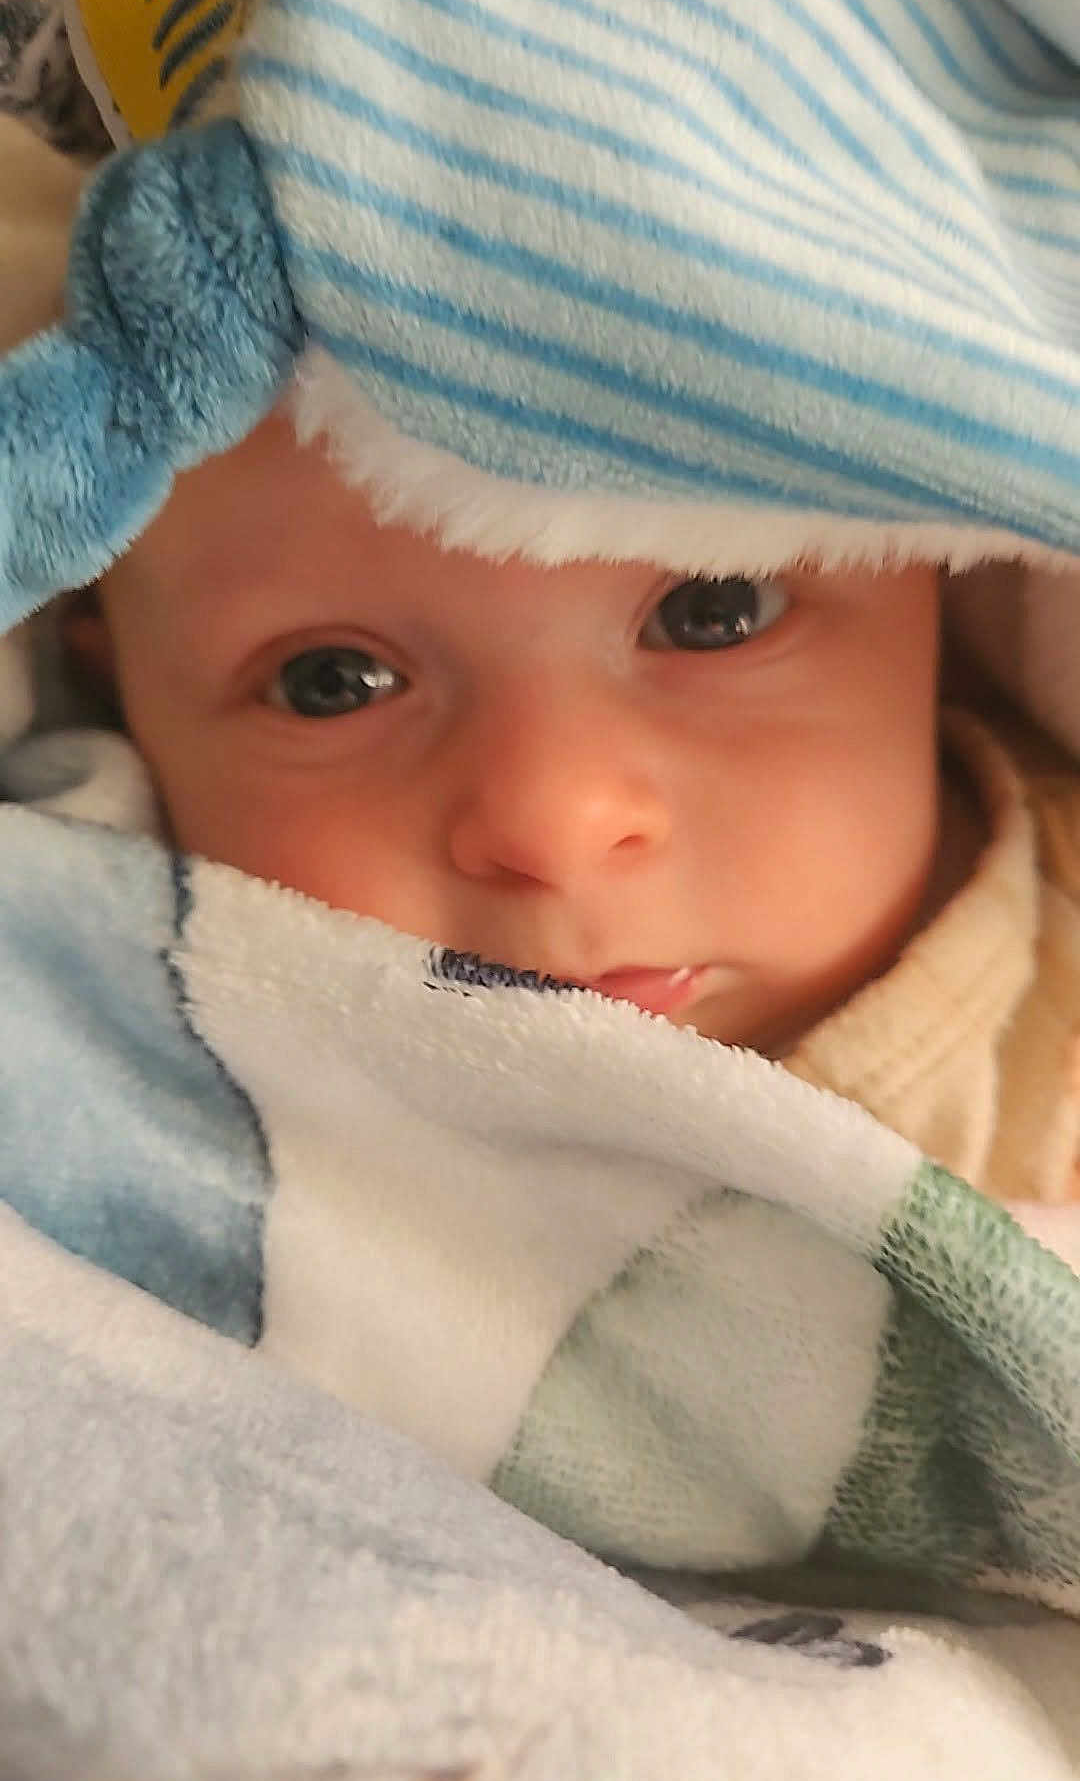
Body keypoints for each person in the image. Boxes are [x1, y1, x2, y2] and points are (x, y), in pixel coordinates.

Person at [61, 403, 1080, 1208]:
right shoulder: (127, 1125)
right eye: (333, 683)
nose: (556, 824)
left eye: (714, 613)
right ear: (123, 696)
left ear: (939, 564)